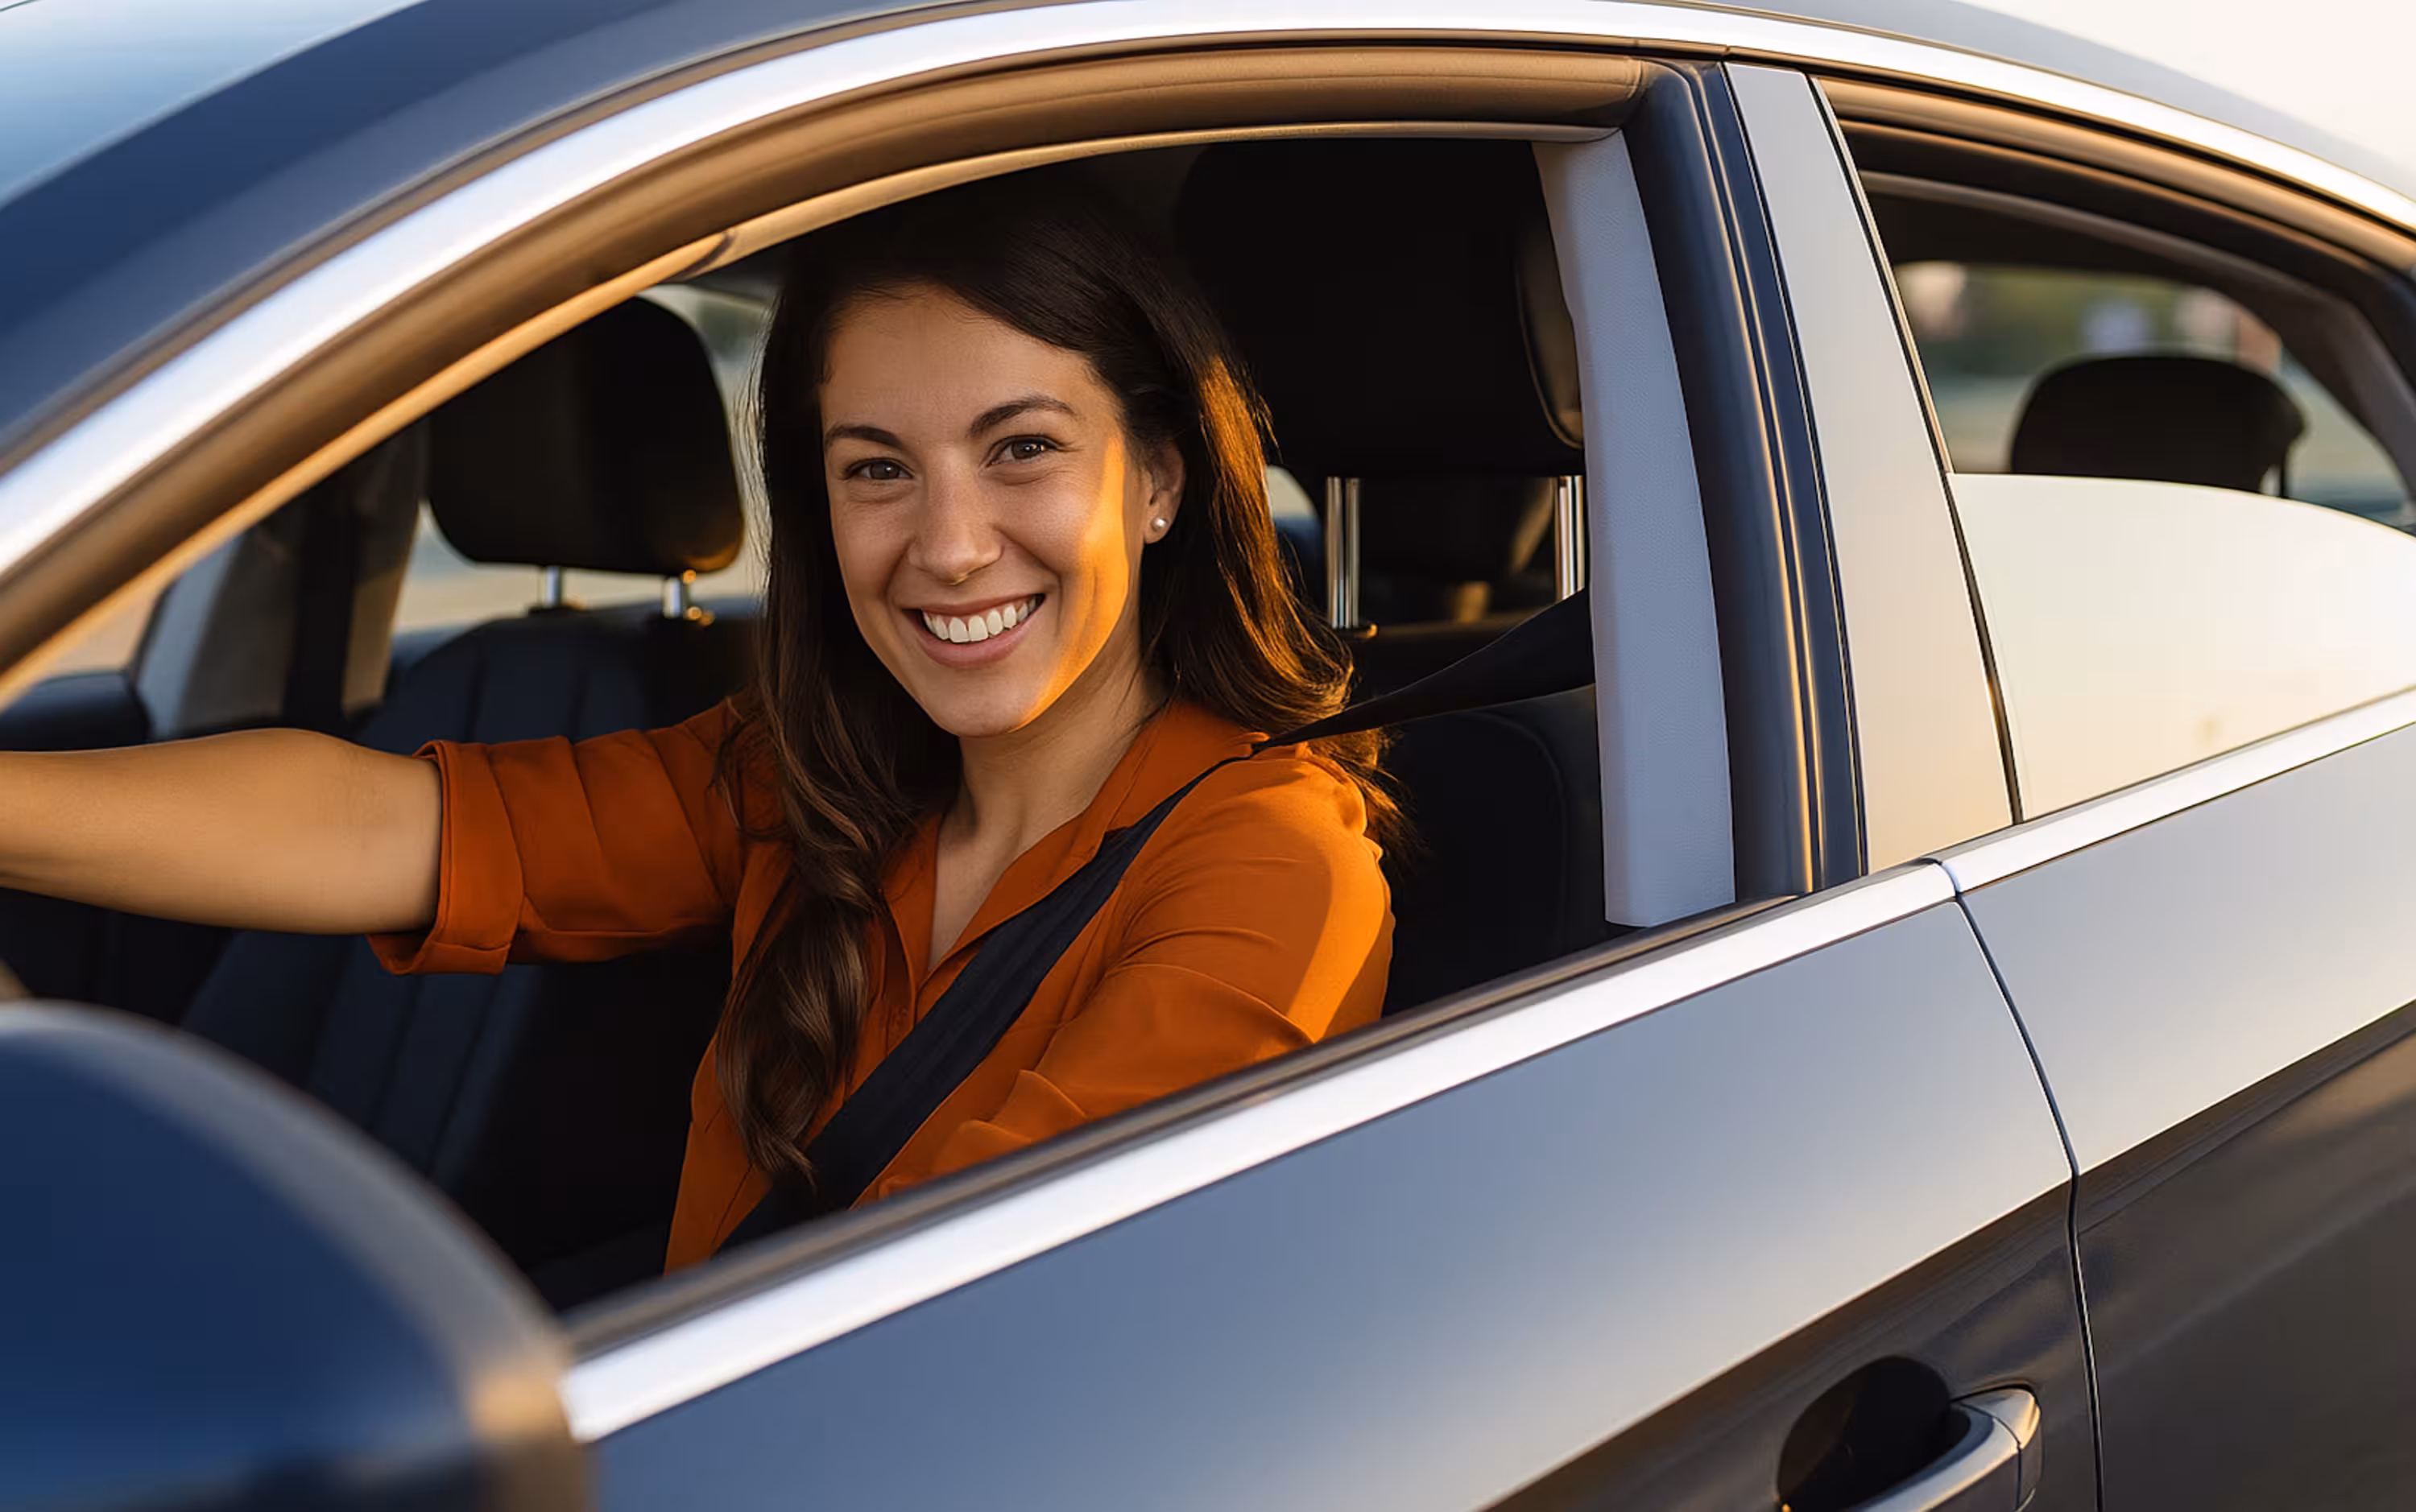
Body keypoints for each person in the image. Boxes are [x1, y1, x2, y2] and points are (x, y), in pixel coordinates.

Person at [0, 173, 1397, 1271]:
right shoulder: (810, 781)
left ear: (1156, 477)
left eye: (1023, 448)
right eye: (877, 469)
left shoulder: (1274, 867)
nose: (951, 545)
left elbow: (925, 1307)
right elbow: (398, 824)